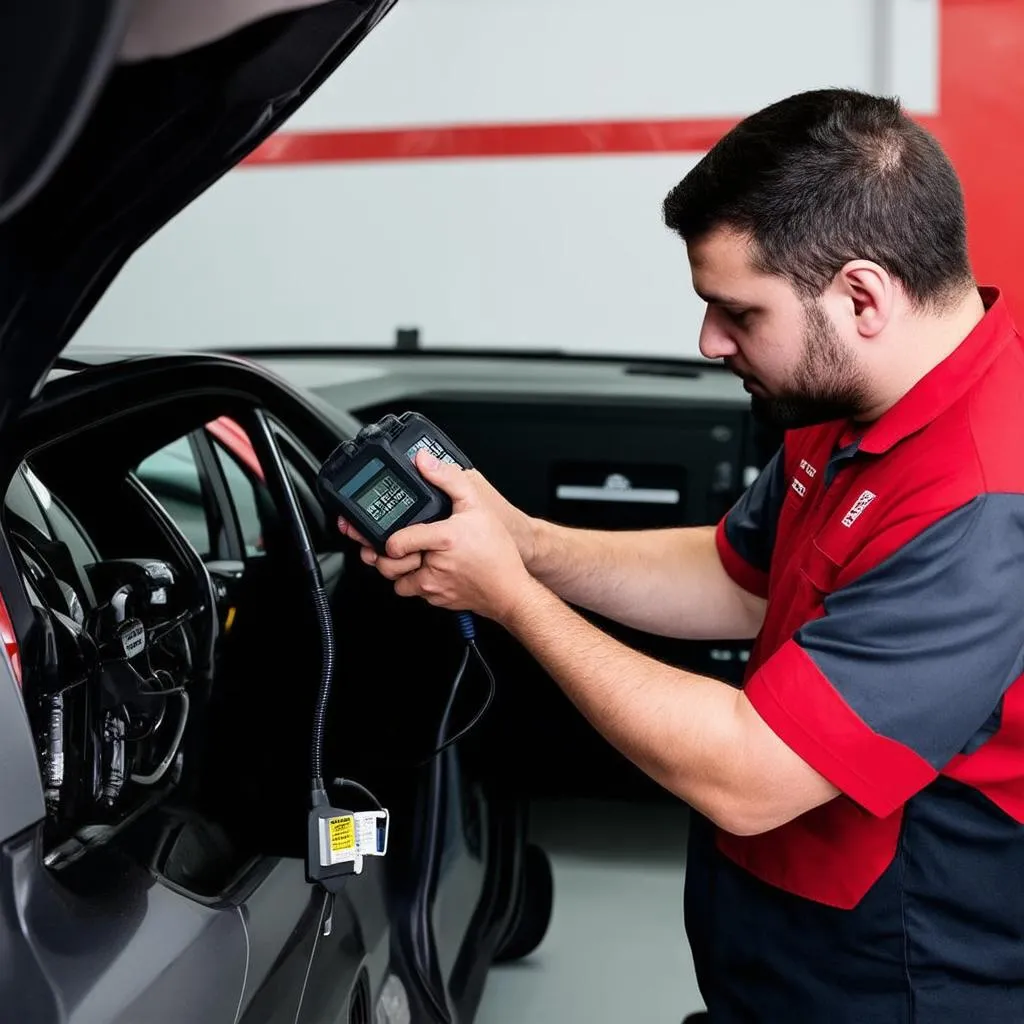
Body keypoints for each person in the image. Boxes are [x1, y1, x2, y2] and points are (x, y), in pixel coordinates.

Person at [337, 88, 1024, 1022]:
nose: (708, 342)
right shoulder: (852, 402)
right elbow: (735, 580)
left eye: (738, 313)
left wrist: (509, 597)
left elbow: (750, 774)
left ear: (862, 295)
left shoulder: (984, 503)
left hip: (898, 977)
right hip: (780, 943)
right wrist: (521, 541)